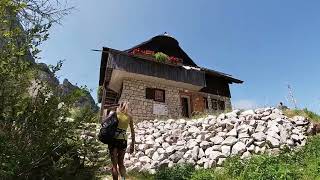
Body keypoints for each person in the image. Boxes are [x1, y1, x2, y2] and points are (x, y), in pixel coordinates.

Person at [108, 102, 135, 180]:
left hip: (113, 140)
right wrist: (132, 144)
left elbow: (106, 125)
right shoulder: (129, 117)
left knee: (114, 165)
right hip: (123, 141)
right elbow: (132, 131)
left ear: (120, 106)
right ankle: (123, 179)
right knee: (121, 163)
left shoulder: (115, 114)